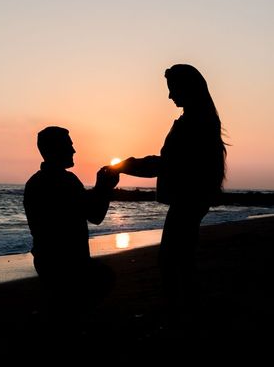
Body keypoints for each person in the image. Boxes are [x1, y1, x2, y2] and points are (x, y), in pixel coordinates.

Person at [114, 64, 227, 314]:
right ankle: (186, 313)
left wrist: (124, 166)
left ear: (186, 88)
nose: (169, 96)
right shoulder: (200, 119)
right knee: (181, 260)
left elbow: (167, 164)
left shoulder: (195, 122)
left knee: (171, 261)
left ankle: (181, 315)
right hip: (193, 199)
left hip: (188, 199)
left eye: (172, 89)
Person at [23, 125, 119, 323]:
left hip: (47, 260)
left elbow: (83, 207)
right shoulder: (65, 182)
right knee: (94, 288)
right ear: (55, 149)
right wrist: (104, 187)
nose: (74, 151)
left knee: (63, 307)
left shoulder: (36, 182)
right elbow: (95, 215)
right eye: (69, 145)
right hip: (67, 263)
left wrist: (100, 189)